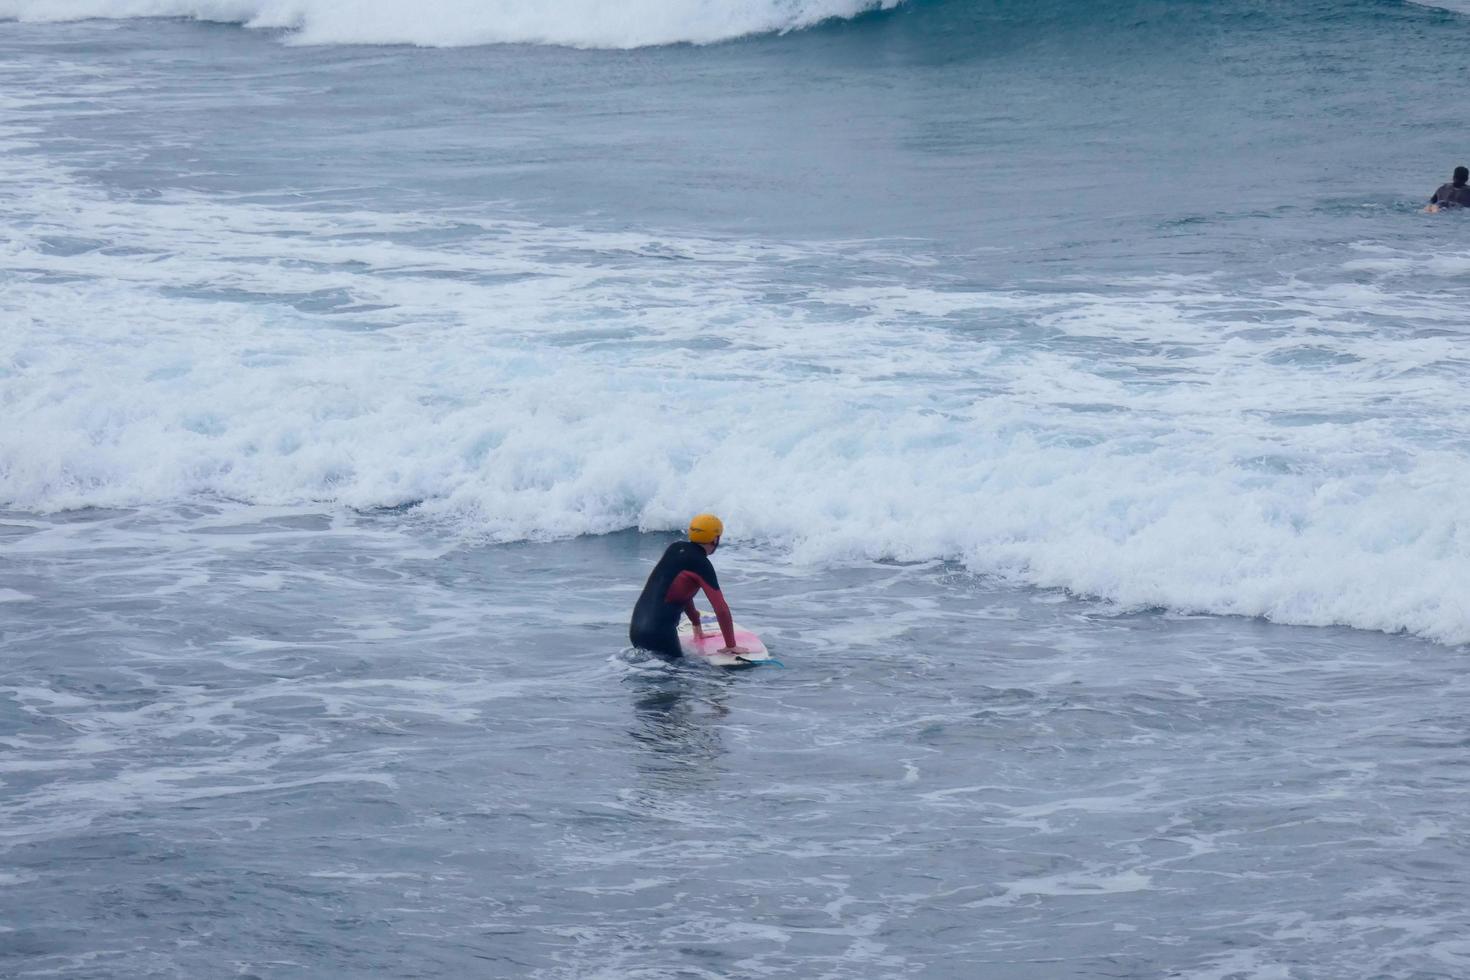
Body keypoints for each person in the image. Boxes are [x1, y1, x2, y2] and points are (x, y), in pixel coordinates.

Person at [629, 513, 749, 660]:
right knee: (679, 678)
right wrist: (731, 645)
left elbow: (681, 591)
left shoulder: (675, 549)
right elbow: (721, 609)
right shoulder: (701, 564)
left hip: (636, 629)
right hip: (659, 633)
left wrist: (696, 622)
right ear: (715, 539)